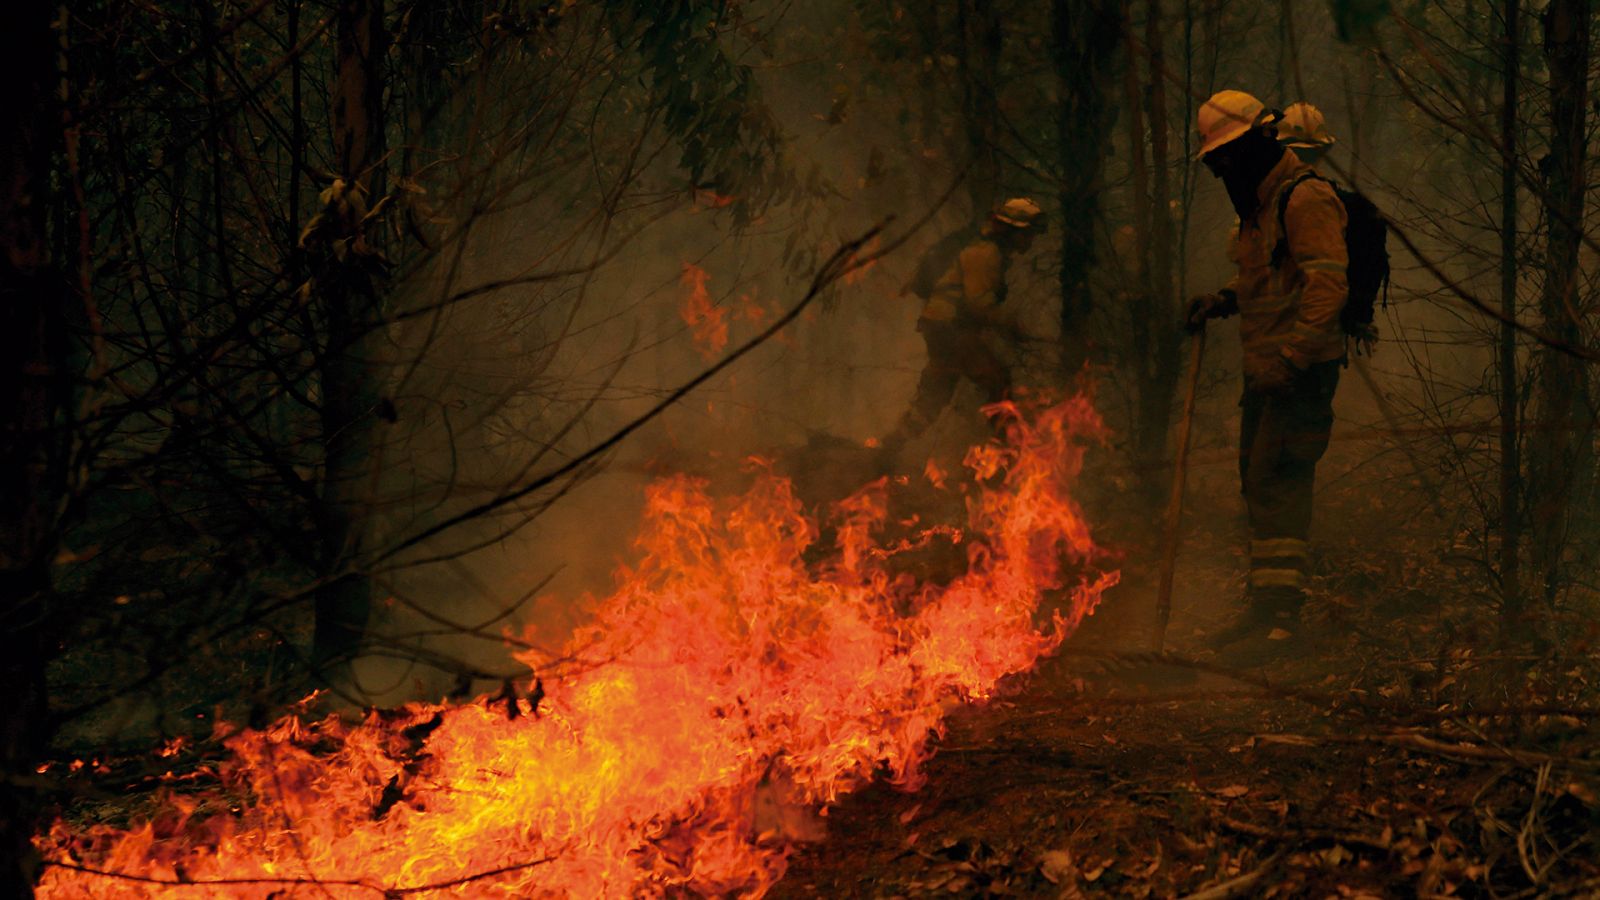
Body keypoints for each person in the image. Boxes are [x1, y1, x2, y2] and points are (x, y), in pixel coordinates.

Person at [1185, 90, 1349, 651]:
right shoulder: (1261, 207)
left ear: (1260, 141)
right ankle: (1264, 614)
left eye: (1227, 156)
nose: (1222, 171)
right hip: (1266, 370)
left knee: (1280, 485)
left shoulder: (1306, 199)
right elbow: (1271, 280)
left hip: (1297, 371)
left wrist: (1291, 359)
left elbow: (1328, 289)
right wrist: (1225, 300)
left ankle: (1283, 624)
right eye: (1216, 162)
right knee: (1258, 487)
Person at [881, 197, 1045, 456]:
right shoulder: (985, 252)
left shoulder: (987, 249)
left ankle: (888, 449)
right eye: (1028, 234)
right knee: (997, 380)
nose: (1031, 241)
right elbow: (978, 302)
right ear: (1014, 231)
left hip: (940, 327)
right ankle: (1009, 454)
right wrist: (1009, 323)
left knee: (934, 396)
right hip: (950, 329)